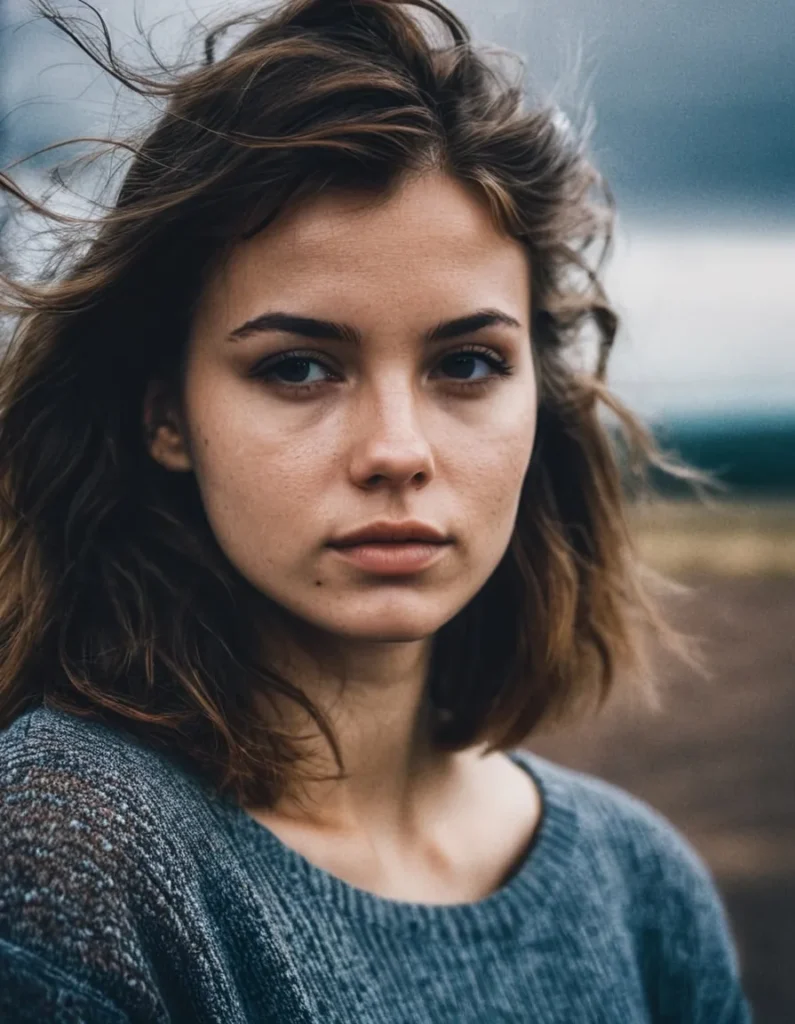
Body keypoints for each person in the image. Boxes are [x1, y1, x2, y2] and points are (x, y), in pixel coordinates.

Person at [0, 0, 751, 1021]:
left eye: (467, 363)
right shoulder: (70, 848)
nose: (397, 450)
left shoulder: (640, 889)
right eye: (299, 366)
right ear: (164, 412)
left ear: (540, 392)